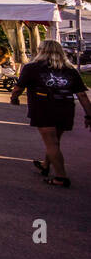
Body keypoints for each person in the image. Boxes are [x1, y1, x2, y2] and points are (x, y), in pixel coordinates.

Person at [10, 40, 90, 188]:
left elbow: (18, 87)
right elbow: (82, 95)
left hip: (44, 107)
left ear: (41, 51)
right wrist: (88, 115)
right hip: (66, 108)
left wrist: (14, 98)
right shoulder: (70, 70)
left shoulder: (32, 68)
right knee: (55, 140)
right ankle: (46, 165)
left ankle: (61, 177)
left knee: (51, 142)